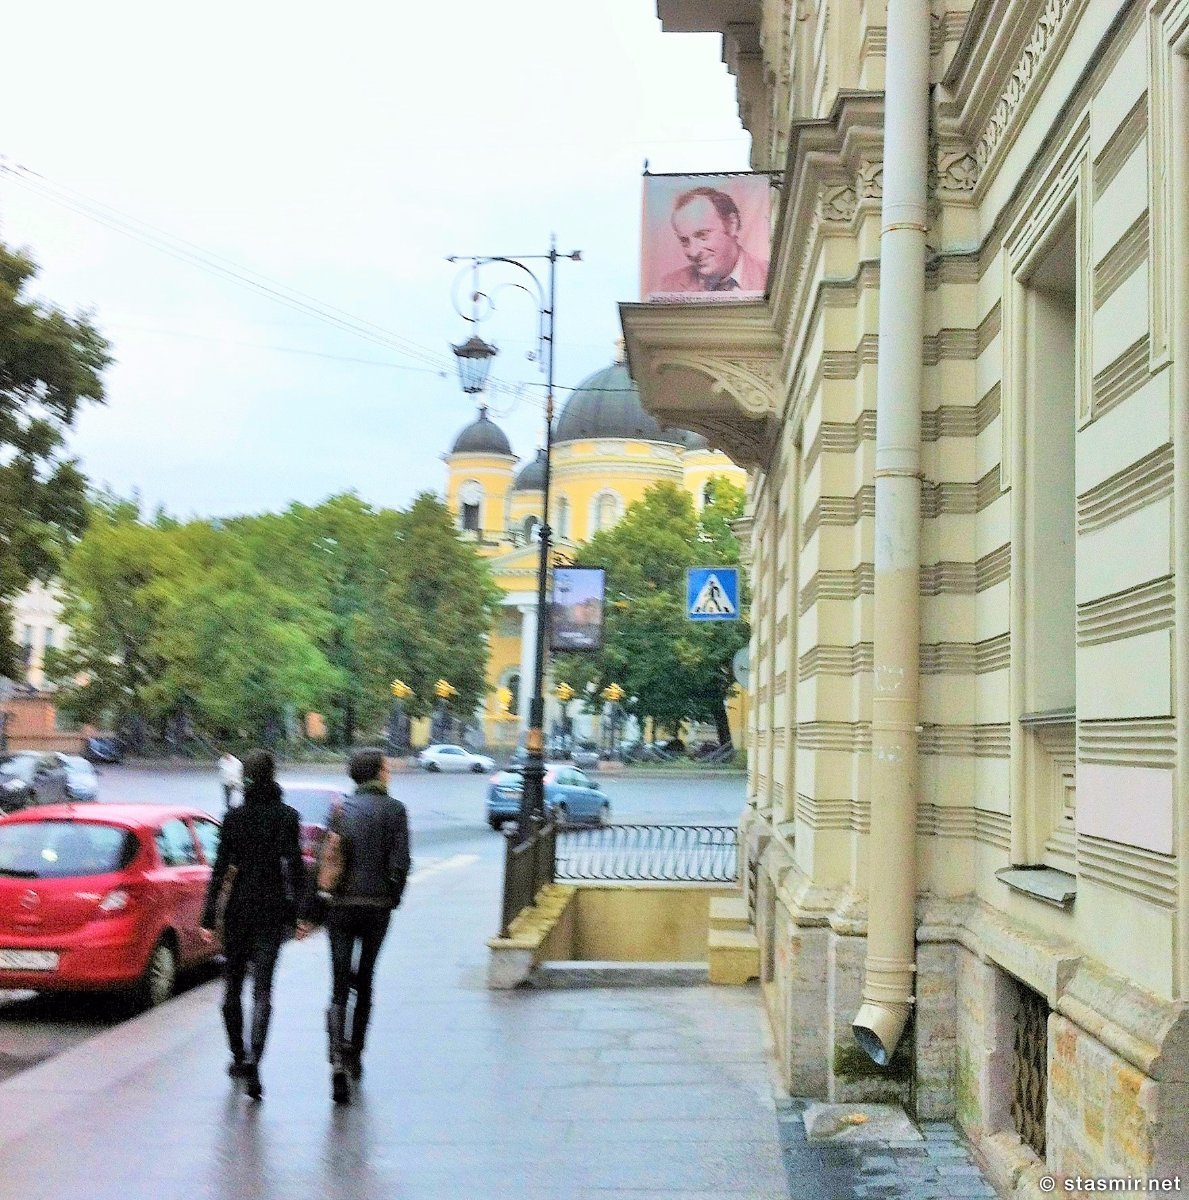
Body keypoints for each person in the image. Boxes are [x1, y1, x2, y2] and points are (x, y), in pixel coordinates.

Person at [300, 747, 410, 1104]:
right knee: (364, 980)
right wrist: (392, 897)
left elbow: (324, 862)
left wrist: (312, 911)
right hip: (376, 907)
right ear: (377, 773)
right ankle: (355, 1055)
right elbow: (401, 863)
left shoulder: (340, 810)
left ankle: (335, 1057)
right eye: (386, 768)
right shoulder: (395, 810)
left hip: (341, 907)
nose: (389, 773)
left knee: (338, 983)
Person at [200, 749, 304, 1101]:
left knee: (232, 986)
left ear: (245, 776)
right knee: (263, 989)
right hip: (272, 909)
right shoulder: (287, 817)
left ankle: (238, 1055)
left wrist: (209, 916)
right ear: (273, 775)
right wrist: (303, 913)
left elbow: (219, 870)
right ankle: (256, 1060)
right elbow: (295, 868)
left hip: (239, 910)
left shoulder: (233, 818)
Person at [657, 186, 768, 294]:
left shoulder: (769, 276)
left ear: (732, 224)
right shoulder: (669, 286)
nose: (693, 252)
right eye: (685, 241)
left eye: (702, 236)